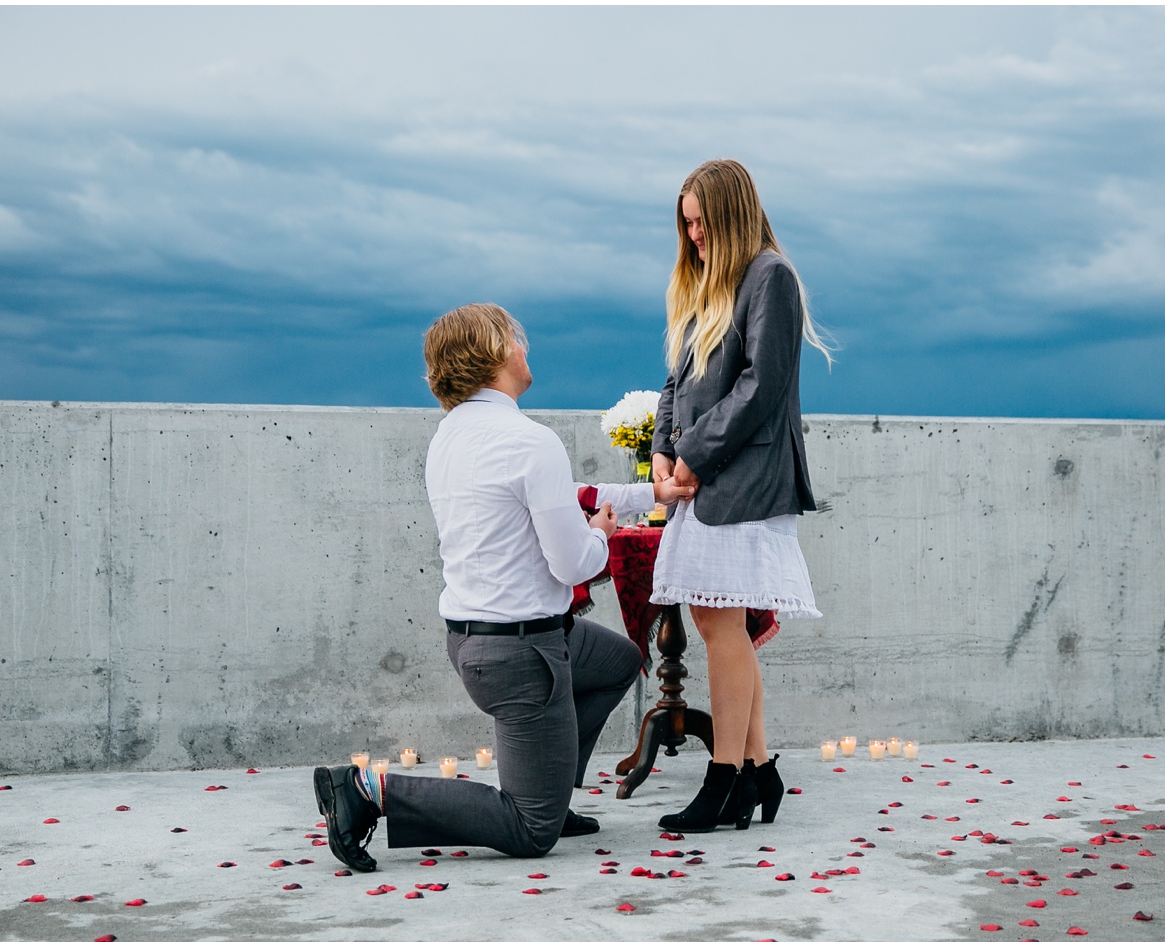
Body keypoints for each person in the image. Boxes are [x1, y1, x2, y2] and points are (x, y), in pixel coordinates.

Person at [312, 303, 695, 870]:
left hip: (475, 640)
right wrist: (599, 534)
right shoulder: (528, 440)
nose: (526, 349)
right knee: (530, 827)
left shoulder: (450, 437)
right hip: (523, 654)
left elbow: (564, 490)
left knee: (616, 660)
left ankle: (553, 787)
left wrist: (651, 496)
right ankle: (369, 791)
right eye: (517, 339)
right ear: (493, 354)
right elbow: (573, 566)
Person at [649, 159, 832, 833]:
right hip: (705, 476)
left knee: (720, 624)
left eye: (700, 222)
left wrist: (692, 458)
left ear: (729, 215)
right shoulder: (705, 281)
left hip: (747, 478)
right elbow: (676, 383)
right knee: (716, 624)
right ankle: (757, 773)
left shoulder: (770, 278)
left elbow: (762, 386)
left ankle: (726, 780)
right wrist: (663, 454)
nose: (692, 235)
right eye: (686, 224)